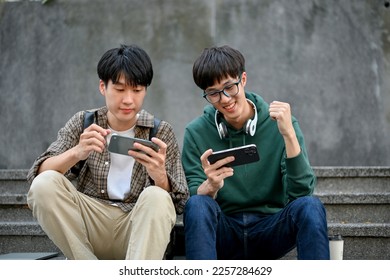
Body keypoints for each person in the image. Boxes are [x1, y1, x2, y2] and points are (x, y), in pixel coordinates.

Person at [27, 44, 189, 260]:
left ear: (146, 90)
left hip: (136, 228)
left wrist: (159, 175)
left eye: (137, 90)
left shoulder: (159, 131)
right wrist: (77, 152)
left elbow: (178, 202)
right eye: (120, 90)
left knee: (157, 196)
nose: (128, 99)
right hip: (90, 224)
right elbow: (37, 175)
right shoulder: (84, 122)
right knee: (44, 184)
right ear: (103, 87)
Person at [181, 45, 329, 260]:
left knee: (311, 206)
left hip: (271, 229)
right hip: (225, 230)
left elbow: (301, 192)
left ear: (243, 79)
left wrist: (288, 134)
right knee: (197, 204)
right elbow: (195, 201)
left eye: (229, 87)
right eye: (213, 93)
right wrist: (210, 186)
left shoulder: (280, 124)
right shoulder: (196, 132)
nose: (224, 99)